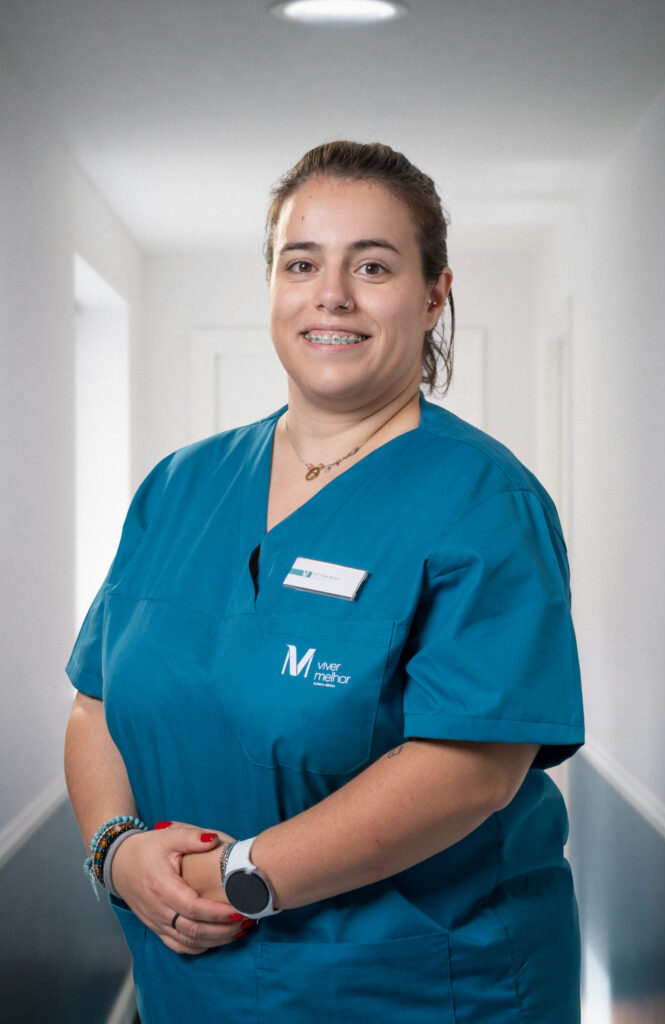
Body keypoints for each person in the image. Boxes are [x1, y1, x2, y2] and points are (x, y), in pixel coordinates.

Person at [65, 140, 584, 1023]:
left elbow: (471, 770)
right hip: (190, 982)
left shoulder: (484, 502)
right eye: (301, 263)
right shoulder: (179, 487)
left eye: (371, 266)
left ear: (433, 295)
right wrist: (115, 850)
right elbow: (95, 704)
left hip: (418, 987)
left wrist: (240, 876)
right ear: (272, 284)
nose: (331, 294)